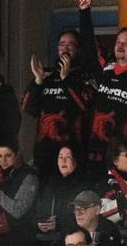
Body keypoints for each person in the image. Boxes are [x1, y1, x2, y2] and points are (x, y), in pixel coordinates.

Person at [78, 0, 127, 170]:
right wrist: (84, 10)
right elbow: (89, 46)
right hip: (92, 152)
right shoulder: (106, 67)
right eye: (118, 42)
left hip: (118, 158)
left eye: (126, 43)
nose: (120, 46)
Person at [22, 29, 92, 180]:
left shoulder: (84, 77)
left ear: (78, 50)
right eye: (62, 45)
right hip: (44, 153)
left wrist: (66, 79)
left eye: (70, 45)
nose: (65, 49)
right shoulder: (46, 75)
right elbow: (27, 108)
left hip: (71, 155)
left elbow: (85, 106)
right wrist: (38, 81)